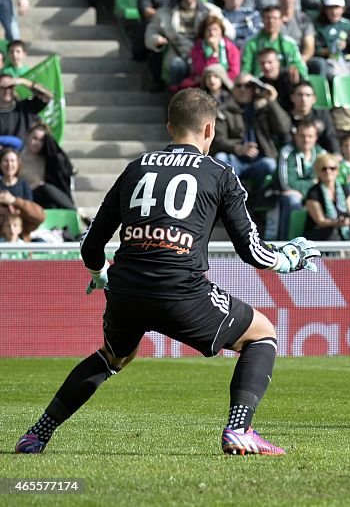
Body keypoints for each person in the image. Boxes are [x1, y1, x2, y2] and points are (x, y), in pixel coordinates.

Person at [15, 89, 321, 456]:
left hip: (126, 290)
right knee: (262, 334)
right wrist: (290, 260)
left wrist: (101, 276)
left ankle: (37, 434)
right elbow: (253, 252)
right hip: (182, 292)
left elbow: (91, 245)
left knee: (113, 357)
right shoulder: (221, 174)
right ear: (209, 130)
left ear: (169, 127)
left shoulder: (136, 168)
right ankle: (239, 429)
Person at [303, 152, 350, 241]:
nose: (328, 171)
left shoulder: (345, 189)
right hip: (318, 232)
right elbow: (320, 221)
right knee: (332, 233)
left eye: (332, 168)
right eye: (324, 169)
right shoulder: (313, 192)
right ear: (318, 171)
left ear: (337, 170)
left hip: (342, 229)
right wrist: (337, 222)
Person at [0, 74, 53, 146]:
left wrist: (23, 81)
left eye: (11, 86)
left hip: (26, 154)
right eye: (3, 87)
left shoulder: (27, 107)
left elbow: (47, 96)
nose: (7, 90)